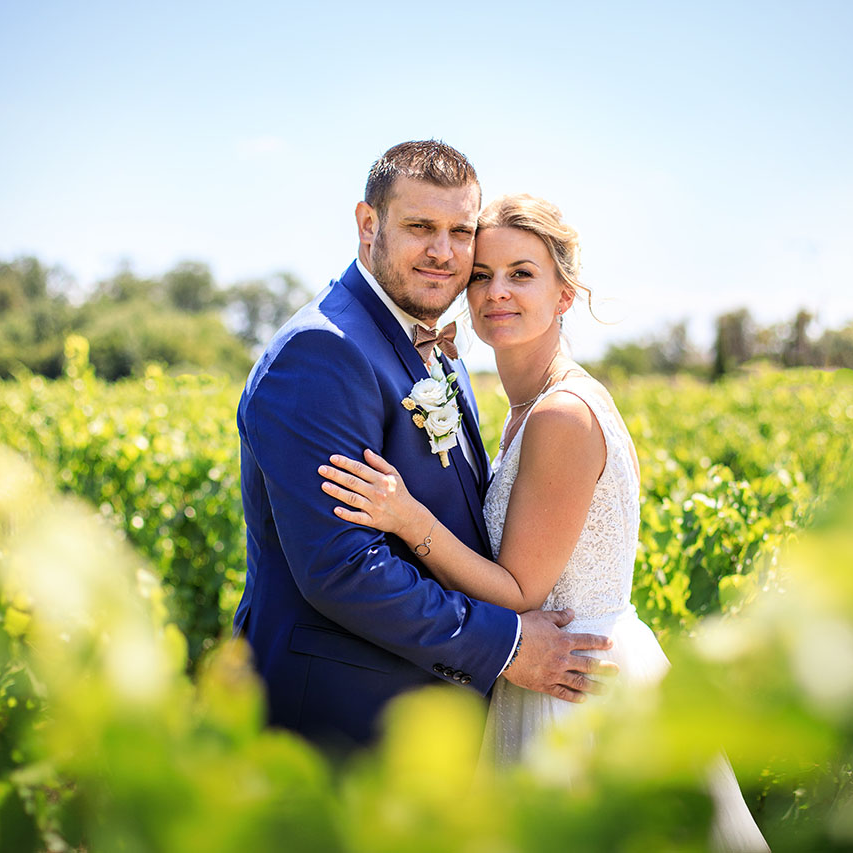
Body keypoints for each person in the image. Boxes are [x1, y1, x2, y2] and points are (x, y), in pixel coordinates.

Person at [321, 193, 769, 850]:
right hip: (543, 670)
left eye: (521, 273)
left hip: (577, 688)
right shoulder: (521, 407)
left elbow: (522, 590)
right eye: (482, 275)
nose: (496, 291)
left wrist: (405, 515)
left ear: (564, 294)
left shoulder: (561, 414)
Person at [232, 141, 617, 751]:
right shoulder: (323, 352)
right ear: (368, 225)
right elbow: (343, 569)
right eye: (420, 227)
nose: (444, 253)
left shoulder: (438, 347)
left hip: (432, 724)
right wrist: (507, 645)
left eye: (460, 231)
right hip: (342, 724)